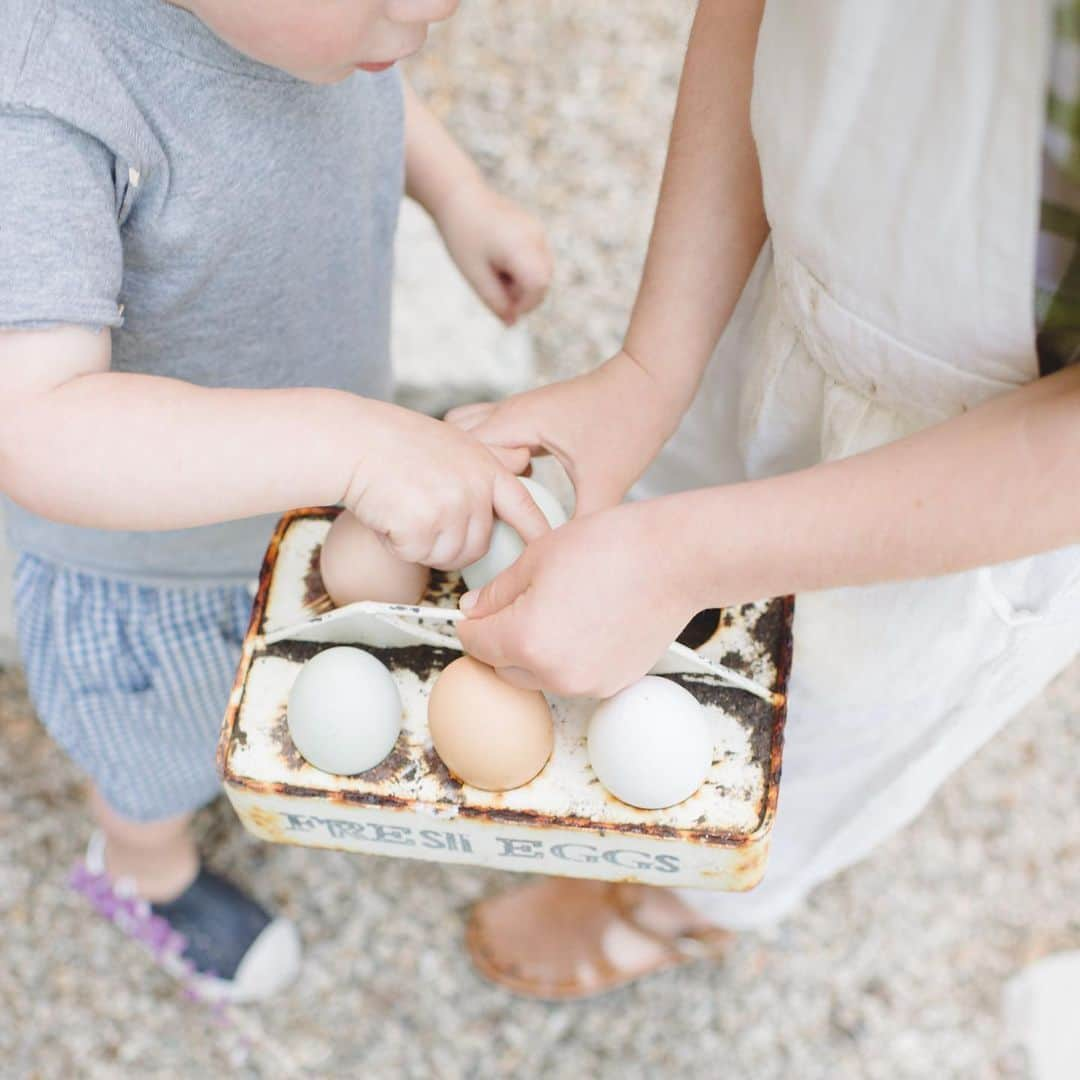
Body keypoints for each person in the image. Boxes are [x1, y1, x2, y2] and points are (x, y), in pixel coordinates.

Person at [451, 0, 1080, 998]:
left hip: (972, 479)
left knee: (811, 727)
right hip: (781, 285)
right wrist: (652, 370)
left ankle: (679, 904)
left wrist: (679, 556)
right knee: (664, 549)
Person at [0, 0, 553, 1001]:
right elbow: (33, 424)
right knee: (158, 754)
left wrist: (455, 194)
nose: (428, 9)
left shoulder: (319, 27)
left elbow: (368, 80)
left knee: (294, 668)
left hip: (305, 491)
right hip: (151, 580)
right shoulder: (41, 100)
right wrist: (354, 445)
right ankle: (139, 870)